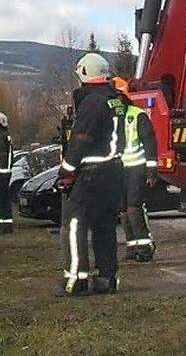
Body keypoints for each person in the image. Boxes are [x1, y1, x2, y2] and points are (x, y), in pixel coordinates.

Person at [56, 52, 125, 297]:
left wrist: (67, 171)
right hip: (114, 171)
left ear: (84, 74)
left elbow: (81, 139)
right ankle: (107, 278)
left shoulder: (92, 102)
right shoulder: (115, 99)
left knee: (73, 224)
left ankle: (76, 280)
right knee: (104, 226)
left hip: (92, 173)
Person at [113, 77, 159, 262]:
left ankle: (145, 247)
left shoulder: (138, 115)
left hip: (136, 168)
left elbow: (150, 144)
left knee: (133, 207)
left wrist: (151, 171)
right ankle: (132, 247)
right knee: (123, 209)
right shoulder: (112, 116)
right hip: (118, 169)